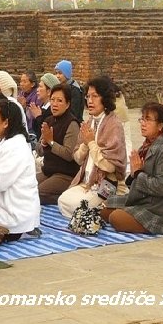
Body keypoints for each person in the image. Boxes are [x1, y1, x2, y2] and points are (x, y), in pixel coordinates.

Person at [101, 102, 163, 234]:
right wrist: (133, 174)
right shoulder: (146, 147)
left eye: (148, 119)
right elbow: (135, 181)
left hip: (158, 211)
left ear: (160, 126)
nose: (143, 123)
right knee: (103, 209)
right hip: (141, 202)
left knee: (116, 218)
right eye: (142, 119)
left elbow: (162, 187)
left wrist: (138, 173)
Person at [58, 75, 127, 218]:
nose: (90, 101)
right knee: (62, 200)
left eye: (95, 96)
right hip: (86, 182)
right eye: (88, 96)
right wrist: (84, 144)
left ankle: (102, 211)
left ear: (105, 98)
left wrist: (91, 142)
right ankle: (93, 213)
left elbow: (109, 167)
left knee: (78, 206)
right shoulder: (89, 122)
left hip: (106, 185)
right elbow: (77, 159)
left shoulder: (114, 124)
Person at [0, 99, 41, 243]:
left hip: (15, 216)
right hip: (7, 206)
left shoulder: (16, 147)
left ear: (6, 123)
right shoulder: (7, 141)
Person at [36, 84, 81, 205]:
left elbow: (69, 154)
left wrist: (51, 142)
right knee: (25, 187)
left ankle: (64, 199)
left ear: (67, 104)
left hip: (65, 174)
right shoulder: (49, 120)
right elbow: (39, 151)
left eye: (59, 101)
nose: (54, 104)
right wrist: (44, 143)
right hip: (48, 170)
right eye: (52, 100)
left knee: (38, 193)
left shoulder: (72, 124)